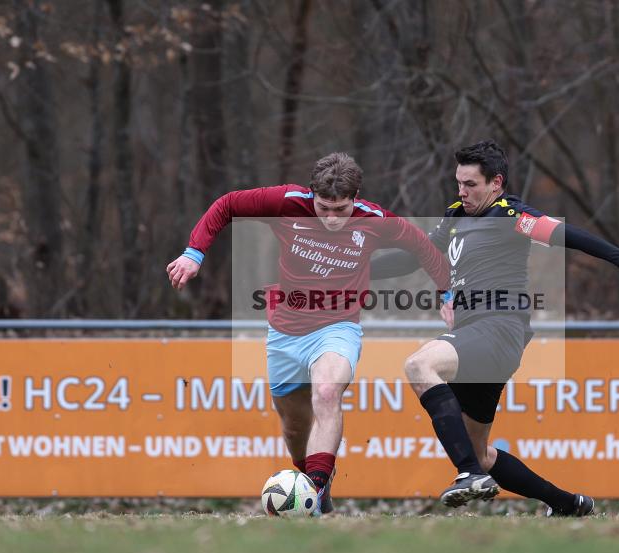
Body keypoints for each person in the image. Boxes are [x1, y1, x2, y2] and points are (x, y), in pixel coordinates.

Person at [371, 140, 619, 515]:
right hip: (476, 336)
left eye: (471, 184)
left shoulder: (509, 214)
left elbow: (566, 234)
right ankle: (568, 503)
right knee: (480, 453)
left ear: (495, 183)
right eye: (459, 183)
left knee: (419, 366)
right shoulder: (455, 217)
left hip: (498, 328)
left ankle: (467, 475)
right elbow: (415, 256)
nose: (462, 192)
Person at [167, 152, 449, 514]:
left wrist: (448, 292)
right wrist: (194, 252)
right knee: (295, 430)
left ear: (356, 197)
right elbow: (226, 205)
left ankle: (314, 492)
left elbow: (423, 247)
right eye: (323, 208)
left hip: (338, 326)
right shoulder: (286, 203)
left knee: (328, 391)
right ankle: (315, 484)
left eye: (341, 209)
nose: (332, 218)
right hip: (285, 332)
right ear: (311, 194)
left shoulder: (375, 221)